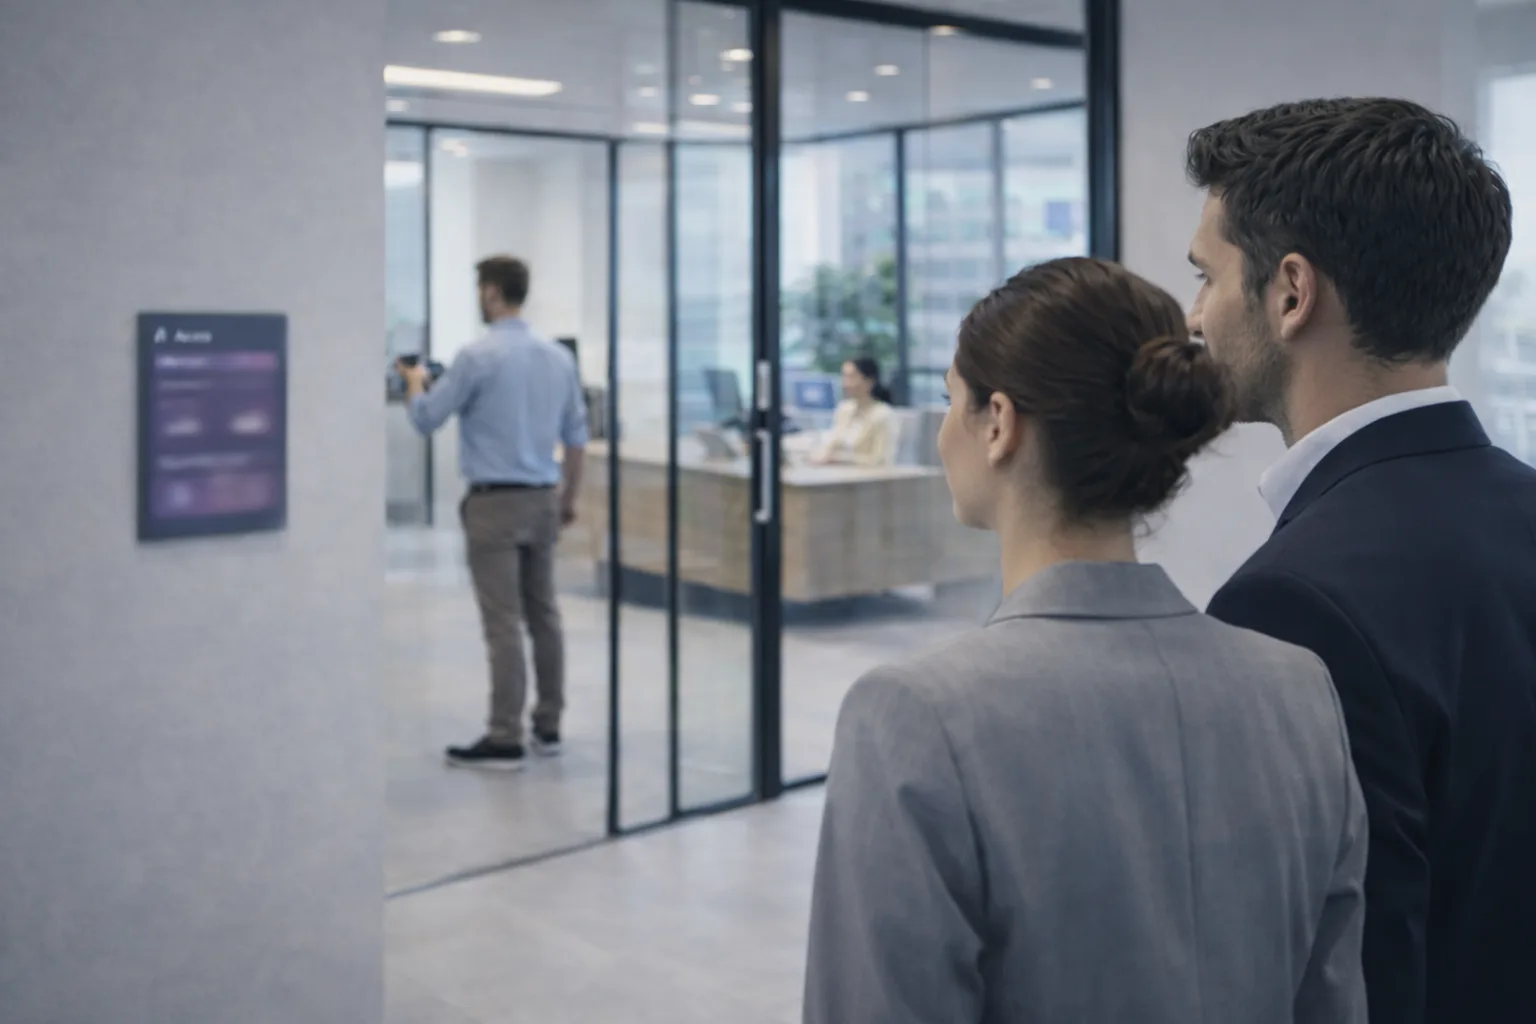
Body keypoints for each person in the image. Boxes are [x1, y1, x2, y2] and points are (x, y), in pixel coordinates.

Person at [804, 257, 1368, 1024]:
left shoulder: (915, 717)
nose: (941, 430)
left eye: (949, 400)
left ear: (998, 423)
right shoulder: (1298, 690)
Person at [1189, 98, 1534, 1024]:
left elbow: (1345, 976)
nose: (1195, 317)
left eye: (1206, 277)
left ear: (1290, 292)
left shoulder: (1292, 603)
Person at [398, 255, 588, 772]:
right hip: (543, 498)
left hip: (494, 504)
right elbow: (576, 437)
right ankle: (548, 726)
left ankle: (504, 736)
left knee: (503, 622)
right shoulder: (557, 358)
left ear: (491, 292)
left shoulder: (477, 357)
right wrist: (568, 498)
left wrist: (416, 380)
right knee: (544, 614)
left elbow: (426, 419)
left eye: (480, 289)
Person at [811, 356, 895, 466]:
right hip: (839, 476)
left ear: (869, 381)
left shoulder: (882, 415)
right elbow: (831, 444)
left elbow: (881, 461)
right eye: (844, 377)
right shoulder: (844, 409)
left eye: (851, 377)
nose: (845, 383)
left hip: (866, 480)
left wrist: (841, 459)